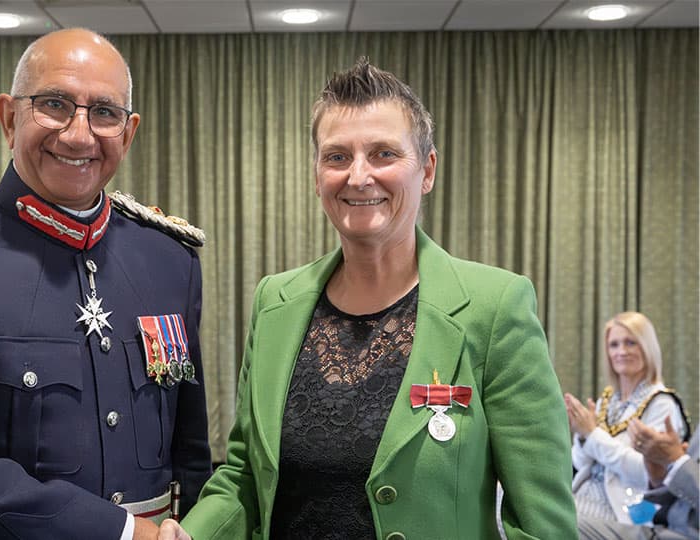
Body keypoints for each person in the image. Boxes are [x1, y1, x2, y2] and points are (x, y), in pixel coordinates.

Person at [172, 59, 577, 539]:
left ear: (426, 170)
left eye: (383, 154)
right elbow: (243, 475)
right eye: (337, 156)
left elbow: (544, 522)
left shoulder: (495, 308)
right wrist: (187, 534)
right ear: (317, 174)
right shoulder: (274, 301)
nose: (358, 176)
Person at [0, 29, 211, 540]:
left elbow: (190, 451)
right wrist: (119, 532)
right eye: (54, 104)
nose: (78, 135)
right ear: (9, 117)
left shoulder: (169, 258)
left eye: (104, 112)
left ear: (128, 130)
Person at [566, 312, 690, 528]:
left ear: (647, 347)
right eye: (614, 345)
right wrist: (582, 438)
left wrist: (591, 435)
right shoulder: (607, 401)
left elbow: (646, 473)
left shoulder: (662, 403)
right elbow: (579, 464)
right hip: (581, 497)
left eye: (630, 343)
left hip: (627, 513)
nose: (621, 351)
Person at [578, 419, 698, 539]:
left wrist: (677, 462)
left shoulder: (662, 403)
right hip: (662, 528)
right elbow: (579, 463)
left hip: (618, 504)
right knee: (567, 527)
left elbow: (638, 469)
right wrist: (659, 479)